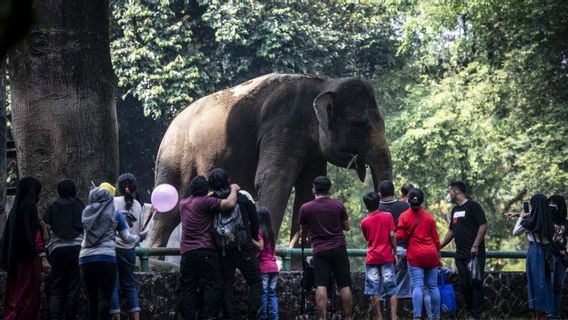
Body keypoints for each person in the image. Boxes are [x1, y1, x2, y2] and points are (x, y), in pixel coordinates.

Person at [178, 175, 239, 320]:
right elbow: (230, 203)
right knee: (212, 286)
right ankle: (210, 316)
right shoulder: (206, 202)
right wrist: (234, 189)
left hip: (187, 253)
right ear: (206, 190)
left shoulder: (183, 203)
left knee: (188, 288)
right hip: (205, 251)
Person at [80, 187, 146, 320]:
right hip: (106, 258)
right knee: (105, 296)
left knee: (92, 298)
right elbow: (127, 238)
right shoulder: (115, 214)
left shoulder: (85, 213)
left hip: (85, 258)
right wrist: (140, 236)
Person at [208, 168, 262, 320]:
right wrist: (254, 240)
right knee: (256, 281)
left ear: (211, 185)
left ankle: (230, 316)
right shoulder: (243, 197)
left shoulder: (211, 201)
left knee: (227, 284)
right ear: (228, 181)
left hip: (222, 250)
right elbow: (254, 221)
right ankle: (251, 316)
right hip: (243, 247)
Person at [298, 176, 353, 320]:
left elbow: (303, 231)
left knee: (320, 284)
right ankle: (347, 317)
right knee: (344, 284)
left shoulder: (306, 208)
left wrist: (303, 240)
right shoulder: (338, 205)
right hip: (339, 248)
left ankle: (322, 318)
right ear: (330, 190)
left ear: (314, 190)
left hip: (320, 250)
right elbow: (347, 227)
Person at [0, 177, 51, 320]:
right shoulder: (29, 209)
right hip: (28, 261)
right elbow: (35, 236)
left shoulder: (14, 212)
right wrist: (43, 258)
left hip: (15, 262)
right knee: (29, 297)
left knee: (15, 295)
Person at [440, 181, 488, 319]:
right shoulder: (455, 210)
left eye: (449, 191)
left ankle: (477, 314)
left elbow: (483, 226)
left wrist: (475, 245)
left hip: (474, 254)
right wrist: (440, 245)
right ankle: (469, 311)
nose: (448, 194)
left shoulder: (473, 206)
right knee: (464, 284)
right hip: (460, 255)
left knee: (476, 283)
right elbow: (451, 231)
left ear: (456, 192)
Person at [43, 178, 85, 320]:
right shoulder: (80, 204)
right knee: (74, 286)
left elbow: (46, 226)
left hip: (57, 250)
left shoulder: (53, 205)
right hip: (76, 249)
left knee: (57, 287)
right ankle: (71, 316)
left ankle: (55, 317)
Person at [396, 188, 441, 320]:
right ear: (422, 201)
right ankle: (436, 316)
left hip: (415, 255)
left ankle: (417, 317)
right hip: (431, 254)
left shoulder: (403, 216)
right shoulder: (429, 217)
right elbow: (436, 240)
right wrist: (438, 257)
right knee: (433, 286)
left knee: (417, 286)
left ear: (408, 201)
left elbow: (400, 236)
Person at [110, 174, 146, 320]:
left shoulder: (112, 202)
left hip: (113, 248)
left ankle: (116, 317)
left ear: (118, 187)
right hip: (129, 249)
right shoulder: (139, 205)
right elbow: (140, 229)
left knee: (113, 285)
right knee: (130, 284)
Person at [513, 194, 554, 319]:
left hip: (535, 251)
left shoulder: (530, 221)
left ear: (534, 205)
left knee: (535, 282)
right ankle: (548, 312)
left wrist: (520, 217)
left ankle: (538, 314)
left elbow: (515, 232)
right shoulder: (549, 220)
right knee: (545, 282)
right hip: (547, 252)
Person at [361, 192, 397, 320]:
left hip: (372, 258)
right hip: (386, 257)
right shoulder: (387, 216)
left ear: (366, 205)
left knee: (374, 289)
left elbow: (367, 238)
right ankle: (394, 316)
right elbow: (392, 235)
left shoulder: (364, 222)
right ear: (379, 202)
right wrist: (395, 252)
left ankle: (379, 317)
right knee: (391, 287)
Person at [378, 180, 411, 305]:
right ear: (394, 192)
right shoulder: (405, 207)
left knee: (382, 287)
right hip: (402, 248)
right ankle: (401, 312)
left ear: (380, 194)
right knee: (401, 289)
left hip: (381, 251)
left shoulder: (376, 208)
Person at [255, 208, 279, 320]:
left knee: (264, 294)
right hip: (274, 268)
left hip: (264, 268)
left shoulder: (260, 232)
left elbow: (260, 248)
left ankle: (262, 317)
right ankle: (275, 317)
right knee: (272, 294)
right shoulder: (270, 233)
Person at [548, 195, 567, 320]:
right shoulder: (546, 220)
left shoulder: (565, 223)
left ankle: (556, 315)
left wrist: (564, 253)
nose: (551, 207)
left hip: (562, 258)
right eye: (549, 204)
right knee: (549, 284)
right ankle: (548, 313)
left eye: (553, 204)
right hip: (550, 256)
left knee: (558, 287)